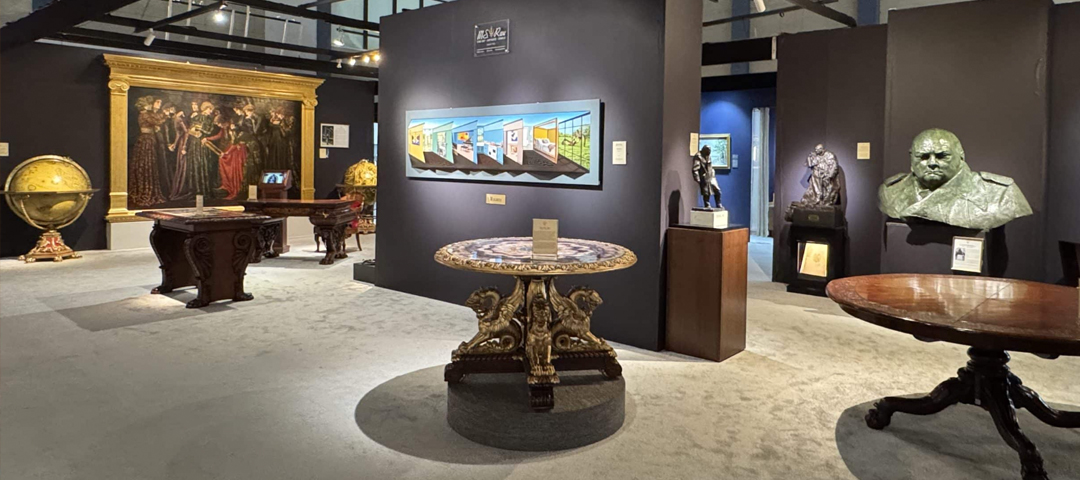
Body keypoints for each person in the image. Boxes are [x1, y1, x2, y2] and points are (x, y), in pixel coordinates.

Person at [879, 128, 1032, 230]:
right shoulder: (891, 192)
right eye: (923, 157)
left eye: (941, 156)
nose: (932, 163)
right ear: (912, 160)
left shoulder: (1001, 195)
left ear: (961, 157)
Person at [129, 96, 167, 207]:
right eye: (150, 104)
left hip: (148, 139)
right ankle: (145, 191)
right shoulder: (145, 114)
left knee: (148, 163)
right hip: (146, 140)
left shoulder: (145, 114)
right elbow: (157, 121)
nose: (151, 105)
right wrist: (165, 114)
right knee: (146, 163)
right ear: (146, 105)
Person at [692, 145, 722, 209]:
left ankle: (718, 203)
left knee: (717, 190)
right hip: (704, 176)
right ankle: (707, 204)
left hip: (711, 176)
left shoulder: (708, 156)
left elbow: (710, 165)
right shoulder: (698, 156)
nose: (709, 153)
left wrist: (713, 172)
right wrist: (697, 178)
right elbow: (695, 168)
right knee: (706, 192)